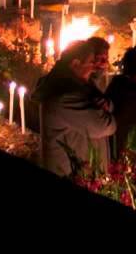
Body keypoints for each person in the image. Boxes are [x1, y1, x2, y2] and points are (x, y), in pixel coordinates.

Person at [35, 39, 116, 176]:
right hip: (70, 173)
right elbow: (105, 126)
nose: (94, 66)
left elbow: (102, 100)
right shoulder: (65, 97)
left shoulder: (79, 86)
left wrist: (105, 107)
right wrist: (109, 118)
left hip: (80, 171)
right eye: (91, 62)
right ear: (75, 64)